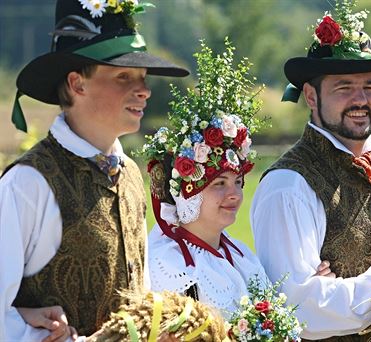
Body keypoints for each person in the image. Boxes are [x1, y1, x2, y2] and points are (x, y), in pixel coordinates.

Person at [0, 0, 189, 340]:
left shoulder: (130, 174)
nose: (144, 90)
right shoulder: (28, 182)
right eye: (123, 76)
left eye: (143, 78)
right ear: (78, 84)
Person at [250, 1, 371, 341]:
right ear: (311, 97)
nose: (360, 99)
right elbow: (299, 310)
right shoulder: (289, 184)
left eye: (369, 87)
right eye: (344, 87)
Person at [143, 39, 335, 321]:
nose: (233, 194)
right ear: (189, 191)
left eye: (237, 182)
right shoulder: (168, 262)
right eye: (219, 184)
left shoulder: (241, 256)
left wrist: (309, 289)